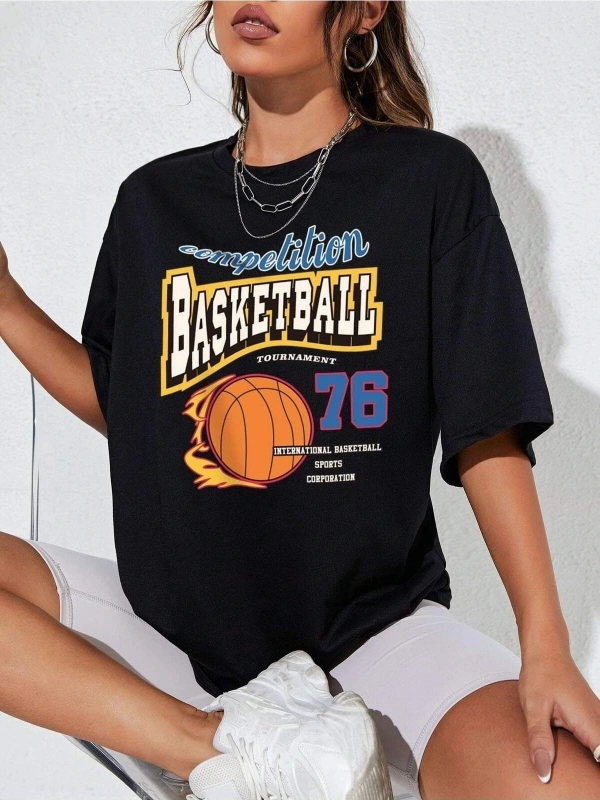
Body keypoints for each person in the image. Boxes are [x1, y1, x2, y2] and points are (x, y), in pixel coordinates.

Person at [0, 1, 599, 798]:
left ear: (362, 11)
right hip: (176, 649)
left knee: (562, 785)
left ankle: (270, 756)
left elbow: (487, 427)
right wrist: (6, 301)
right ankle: (225, 749)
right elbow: (133, 409)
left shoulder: (429, 180)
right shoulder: (152, 202)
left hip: (373, 637)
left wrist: (545, 643)